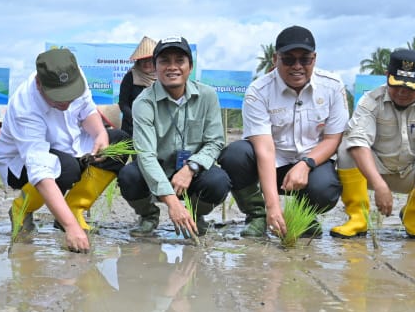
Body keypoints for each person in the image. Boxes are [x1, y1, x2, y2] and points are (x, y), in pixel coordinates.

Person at [219, 26, 348, 238]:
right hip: (270, 164)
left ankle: (303, 216)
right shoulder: (258, 91)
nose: (297, 66)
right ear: (275, 59)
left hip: (312, 163)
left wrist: (306, 164)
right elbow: (265, 150)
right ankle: (258, 214)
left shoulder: (332, 86)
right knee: (235, 155)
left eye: (304, 59)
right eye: (288, 59)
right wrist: (273, 206)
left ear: (314, 58)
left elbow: (333, 138)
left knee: (326, 188)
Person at [0, 49, 127, 253]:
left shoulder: (74, 75)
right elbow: (40, 171)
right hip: (20, 164)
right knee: (66, 169)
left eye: (70, 96)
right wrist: (71, 228)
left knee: (120, 142)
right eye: (58, 98)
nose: (66, 102)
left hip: (69, 146)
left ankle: (74, 208)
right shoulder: (25, 106)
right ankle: (22, 208)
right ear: (39, 84)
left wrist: (100, 133)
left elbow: (87, 109)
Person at [331, 49, 415, 239]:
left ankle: (413, 214)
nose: (402, 92)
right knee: (348, 147)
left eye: (411, 87)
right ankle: (357, 217)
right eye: (396, 85)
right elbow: (358, 142)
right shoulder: (370, 100)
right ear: (387, 76)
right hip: (375, 171)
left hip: (414, 173)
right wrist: (379, 185)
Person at [117, 37, 230, 236]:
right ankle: (149, 215)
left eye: (179, 60)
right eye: (164, 61)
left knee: (218, 181)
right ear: (155, 66)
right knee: (129, 176)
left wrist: (191, 168)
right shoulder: (143, 102)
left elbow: (215, 141)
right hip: (156, 169)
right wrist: (172, 203)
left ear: (190, 66)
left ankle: (194, 215)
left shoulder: (207, 96)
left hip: (193, 171)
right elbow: (146, 155)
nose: (172, 67)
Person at [118, 36, 156, 135]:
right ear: (138, 61)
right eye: (143, 60)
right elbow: (123, 104)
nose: (146, 63)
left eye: (149, 60)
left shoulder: (161, 78)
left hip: (155, 128)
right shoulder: (130, 77)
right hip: (131, 128)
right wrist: (135, 119)